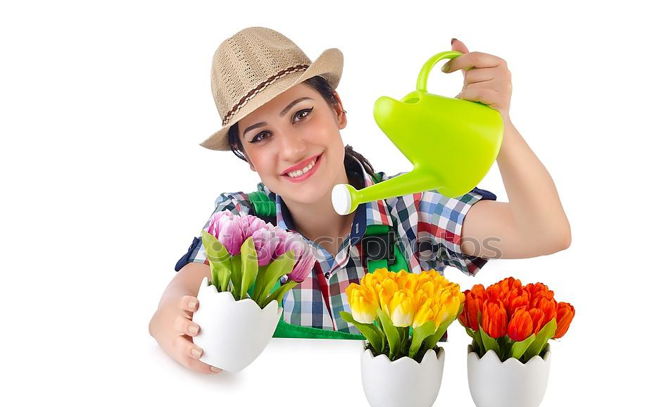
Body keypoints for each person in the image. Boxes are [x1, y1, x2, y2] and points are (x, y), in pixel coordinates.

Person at [148, 27, 571, 374]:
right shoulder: (241, 220)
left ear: (338, 110)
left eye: (301, 114)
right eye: (261, 136)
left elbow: (546, 232)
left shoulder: (415, 206)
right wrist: (167, 317)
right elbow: (188, 282)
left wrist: (498, 124)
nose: (292, 149)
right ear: (250, 160)